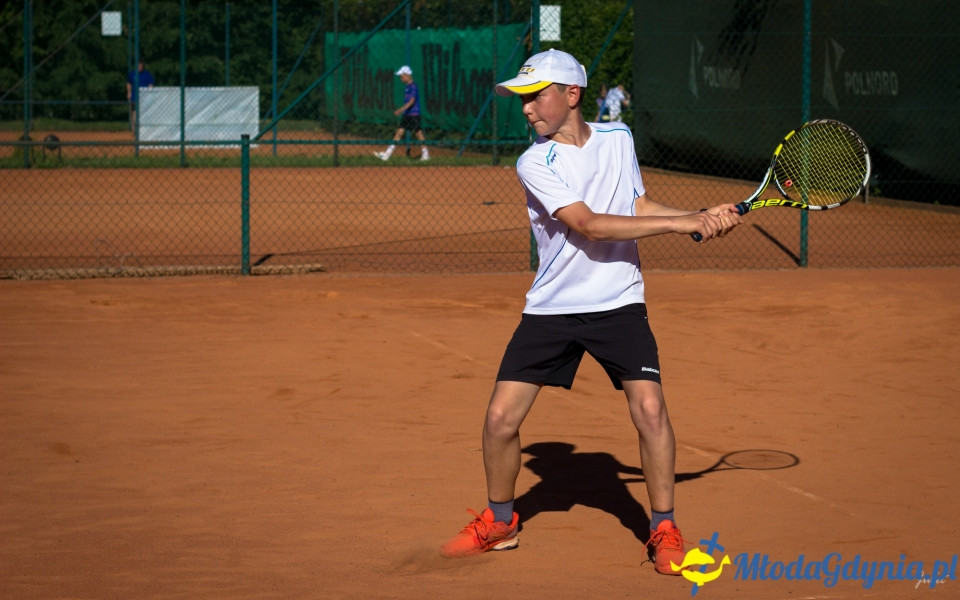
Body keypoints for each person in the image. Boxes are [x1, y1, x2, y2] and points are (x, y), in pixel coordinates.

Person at [438, 49, 742, 576]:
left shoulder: (618, 139)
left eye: (536, 96)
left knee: (650, 412)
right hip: (553, 307)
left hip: (618, 301)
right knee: (499, 419)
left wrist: (696, 217)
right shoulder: (534, 162)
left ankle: (664, 528)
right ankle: (501, 520)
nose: (527, 108)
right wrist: (683, 224)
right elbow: (592, 225)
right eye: (523, 99)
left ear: (571, 95)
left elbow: (636, 206)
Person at [374, 65, 429, 161]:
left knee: (419, 134)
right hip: (407, 115)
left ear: (407, 75)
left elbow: (412, 101)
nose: (400, 78)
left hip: (414, 114)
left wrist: (401, 109)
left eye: (401, 76)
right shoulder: (407, 87)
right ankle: (386, 155)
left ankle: (426, 155)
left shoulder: (413, 86)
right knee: (399, 132)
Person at [126, 60, 155, 131]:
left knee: (144, 112)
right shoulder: (132, 74)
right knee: (134, 112)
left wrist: (149, 93)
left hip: (144, 97)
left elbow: (150, 85)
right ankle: (134, 129)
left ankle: (144, 129)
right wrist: (129, 92)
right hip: (134, 96)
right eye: (138, 65)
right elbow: (129, 83)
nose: (139, 66)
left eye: (141, 65)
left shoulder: (147, 74)